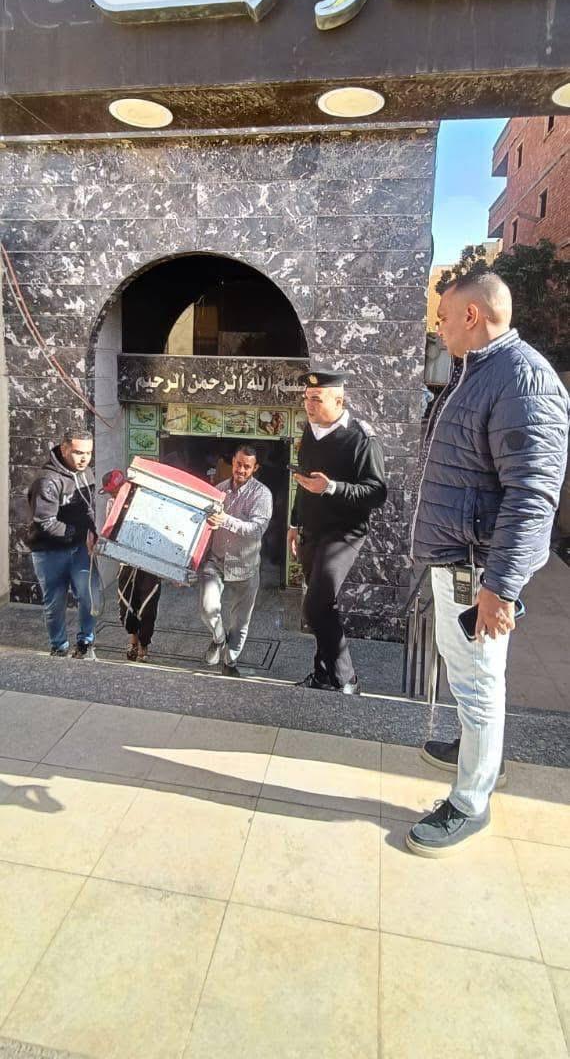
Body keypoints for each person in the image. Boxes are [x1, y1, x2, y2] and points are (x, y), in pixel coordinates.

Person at [408, 271, 570, 857]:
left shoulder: (523, 380)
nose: (439, 328)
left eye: (444, 317)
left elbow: (533, 496)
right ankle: (479, 752)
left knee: (478, 683)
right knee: (467, 675)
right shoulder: (477, 372)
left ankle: (471, 801)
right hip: (460, 560)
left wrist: (500, 587)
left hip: (479, 569)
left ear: (472, 316)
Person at [288, 368, 387, 695]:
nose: (309, 405)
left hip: (344, 534)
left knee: (316, 606)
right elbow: (304, 483)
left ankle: (347, 679)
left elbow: (377, 493)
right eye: (307, 398)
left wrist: (332, 488)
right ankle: (323, 675)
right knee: (322, 608)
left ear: (339, 401)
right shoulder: (309, 431)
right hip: (311, 532)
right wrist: (294, 523)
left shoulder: (362, 438)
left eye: (316, 399)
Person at [200, 445, 273, 672]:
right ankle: (218, 638)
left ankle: (230, 661)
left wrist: (226, 520)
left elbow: (257, 529)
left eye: (247, 466)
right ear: (233, 462)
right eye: (238, 464)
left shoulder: (262, 494)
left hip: (245, 566)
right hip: (216, 561)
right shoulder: (219, 490)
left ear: (255, 468)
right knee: (208, 608)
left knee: (240, 622)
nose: (241, 470)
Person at [27, 428, 98, 658]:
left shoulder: (86, 472)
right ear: (64, 448)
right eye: (78, 452)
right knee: (55, 604)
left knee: (90, 595)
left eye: (88, 453)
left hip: (80, 549)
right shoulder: (47, 480)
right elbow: (45, 522)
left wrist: (94, 532)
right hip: (49, 552)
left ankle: (85, 643)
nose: (84, 458)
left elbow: (89, 507)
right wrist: (80, 534)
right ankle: (59, 647)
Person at [99, 469, 162, 663]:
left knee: (148, 605)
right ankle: (133, 639)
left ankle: (144, 644)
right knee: (126, 602)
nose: (113, 496)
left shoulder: (145, 501)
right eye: (111, 493)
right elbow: (111, 532)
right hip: (126, 561)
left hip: (149, 561)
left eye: (115, 492)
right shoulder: (112, 504)